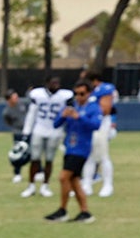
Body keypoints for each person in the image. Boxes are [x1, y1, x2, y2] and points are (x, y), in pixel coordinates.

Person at [43, 82, 102, 224]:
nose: (78, 97)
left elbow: (95, 125)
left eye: (82, 94)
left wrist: (79, 117)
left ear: (88, 94)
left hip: (81, 149)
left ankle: (62, 210)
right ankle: (85, 212)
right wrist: (63, 115)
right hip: (70, 147)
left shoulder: (93, 108)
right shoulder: (71, 106)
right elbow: (56, 124)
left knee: (63, 177)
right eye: (76, 93)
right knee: (74, 181)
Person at [22, 76, 71, 198]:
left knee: (49, 160)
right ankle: (31, 186)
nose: (56, 85)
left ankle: (45, 186)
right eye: (53, 83)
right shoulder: (37, 94)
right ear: (47, 83)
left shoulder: (65, 95)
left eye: (58, 83)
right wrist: (26, 132)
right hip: (39, 129)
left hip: (55, 131)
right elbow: (31, 113)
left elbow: (69, 112)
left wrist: (67, 133)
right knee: (35, 158)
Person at [81, 70, 118, 197]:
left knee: (103, 155)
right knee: (89, 155)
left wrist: (89, 112)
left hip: (101, 123)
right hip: (89, 123)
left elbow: (106, 109)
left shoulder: (105, 89)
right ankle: (87, 184)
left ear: (94, 80)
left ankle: (108, 185)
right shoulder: (88, 91)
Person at [2, 89, 31, 182]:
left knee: (33, 152)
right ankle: (17, 173)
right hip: (17, 133)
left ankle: (39, 171)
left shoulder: (23, 104)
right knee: (18, 153)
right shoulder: (7, 111)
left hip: (28, 131)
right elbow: (8, 121)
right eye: (14, 97)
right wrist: (16, 128)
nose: (16, 98)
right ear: (9, 99)